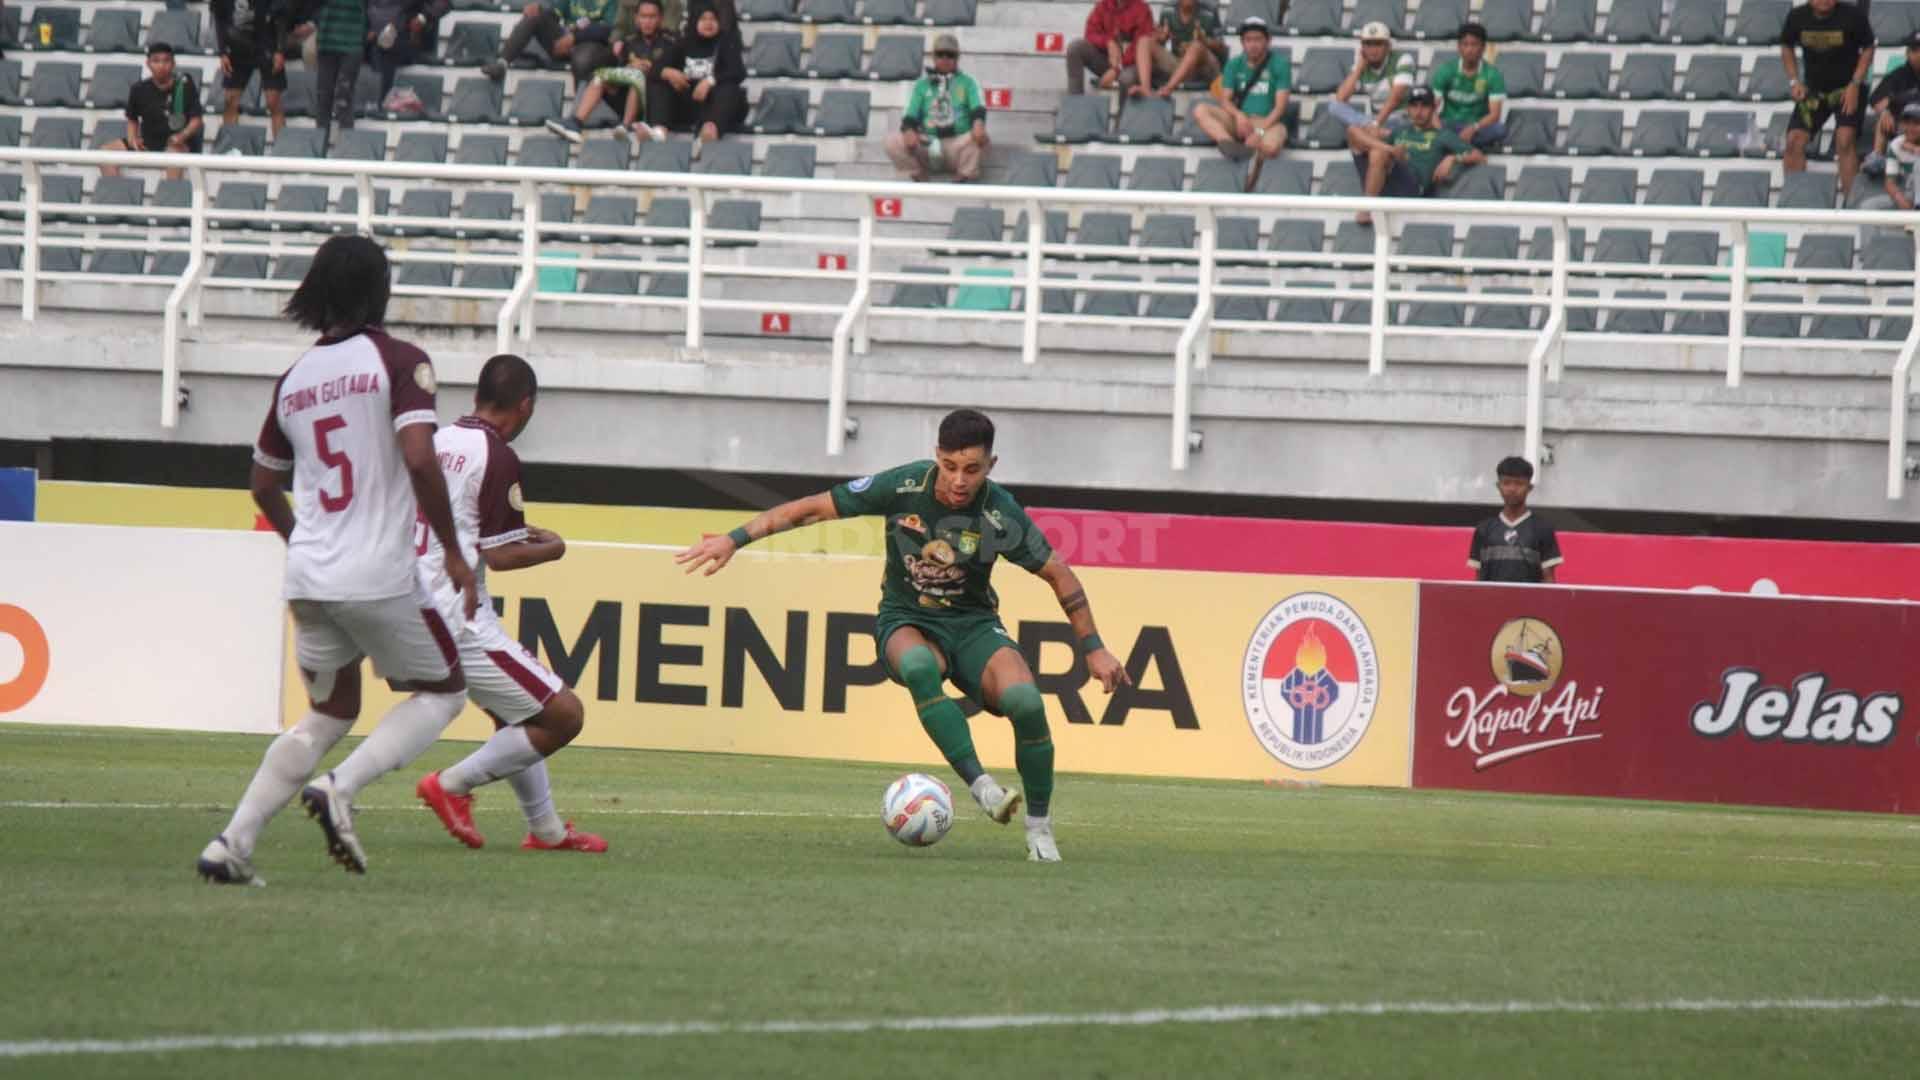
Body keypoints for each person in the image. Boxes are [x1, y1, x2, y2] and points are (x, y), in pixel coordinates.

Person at [675, 409, 1132, 863]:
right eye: (950, 467)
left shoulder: (998, 512)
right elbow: (813, 507)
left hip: (973, 624)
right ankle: (984, 789)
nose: (958, 480)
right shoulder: (903, 486)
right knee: (918, 666)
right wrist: (735, 539)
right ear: (936, 457)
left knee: (1027, 704)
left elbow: (1059, 574)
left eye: (972, 469)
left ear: (991, 466)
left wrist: (1093, 648)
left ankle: (1039, 830)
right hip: (906, 620)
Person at [196, 235, 479, 886]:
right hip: (378, 570)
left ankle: (232, 844)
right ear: (379, 292)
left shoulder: (294, 379)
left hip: (310, 576)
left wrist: (305, 546)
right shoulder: (401, 361)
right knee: (444, 692)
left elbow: (264, 486)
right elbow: (417, 455)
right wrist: (457, 556)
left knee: (328, 712)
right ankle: (341, 788)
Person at [413, 355, 607, 855]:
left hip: (419, 600)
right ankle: (451, 785)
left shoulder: (437, 441)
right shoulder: (495, 455)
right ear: (525, 406)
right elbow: (498, 556)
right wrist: (554, 547)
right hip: (460, 615)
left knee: (517, 714)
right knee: (564, 715)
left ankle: (545, 833)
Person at [1346, 86, 1484, 223]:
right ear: (1408, 108)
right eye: (1414, 106)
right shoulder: (1400, 131)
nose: (1418, 112)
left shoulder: (1442, 135)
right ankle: (1386, 157)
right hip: (1384, 182)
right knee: (1353, 130)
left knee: (1378, 153)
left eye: (1424, 106)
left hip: (1410, 187)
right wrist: (1390, 150)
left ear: (1433, 108)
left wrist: (1452, 158)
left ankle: (1366, 208)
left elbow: (1479, 157)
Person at [1780, 0, 1875, 198]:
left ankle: (1852, 202)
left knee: (1844, 139)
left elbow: (1868, 48)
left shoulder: (1853, 15)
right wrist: (1793, 81)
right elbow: (1786, 46)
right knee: (1793, 141)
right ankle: (1795, 198)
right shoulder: (1797, 16)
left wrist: (1855, 84)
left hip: (1847, 88)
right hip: (1814, 91)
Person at [549, 0, 678, 143]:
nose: (647, 21)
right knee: (601, 77)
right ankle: (576, 124)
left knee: (637, 75)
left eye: (652, 17)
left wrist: (644, 67)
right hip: (629, 101)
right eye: (643, 16)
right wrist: (628, 68)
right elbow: (621, 70)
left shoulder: (671, 41)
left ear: (660, 19)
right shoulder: (629, 41)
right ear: (636, 18)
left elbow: (670, 72)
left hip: (657, 104)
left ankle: (626, 127)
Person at [1191, 17, 1290, 182]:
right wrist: (1238, 115)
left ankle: (1254, 175)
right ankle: (1230, 146)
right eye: (1248, 40)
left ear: (1268, 41)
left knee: (1271, 147)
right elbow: (1225, 100)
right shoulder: (1234, 64)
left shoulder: (1280, 65)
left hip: (1268, 121)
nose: (1253, 44)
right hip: (1239, 121)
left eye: (1258, 39)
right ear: (1242, 42)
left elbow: (1280, 108)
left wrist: (1259, 132)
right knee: (1200, 109)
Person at [883, 34, 988, 183]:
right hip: (927, 143)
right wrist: (908, 131)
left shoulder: (969, 82)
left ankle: (963, 177)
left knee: (980, 138)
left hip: (957, 145)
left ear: (957, 57)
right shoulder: (921, 85)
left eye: (950, 55)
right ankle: (919, 175)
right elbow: (909, 115)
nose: (945, 59)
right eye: (940, 54)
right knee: (892, 141)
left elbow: (978, 108)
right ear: (933, 57)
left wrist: (978, 125)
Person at [99, 43, 203, 180]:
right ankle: (116, 192)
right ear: (148, 64)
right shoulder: (139, 89)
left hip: (178, 142)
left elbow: (196, 120)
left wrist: (182, 136)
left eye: (166, 61)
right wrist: (132, 139)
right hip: (149, 141)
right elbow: (132, 119)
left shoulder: (184, 84)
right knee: (104, 153)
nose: (161, 65)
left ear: (173, 64)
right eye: (156, 61)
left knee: (174, 157)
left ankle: (168, 197)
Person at [657, 3, 746, 158]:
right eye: (703, 19)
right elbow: (655, 68)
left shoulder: (726, 42)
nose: (708, 23)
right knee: (660, 83)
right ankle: (659, 130)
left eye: (713, 19)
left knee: (730, 88)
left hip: (718, 107)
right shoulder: (683, 43)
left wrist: (710, 81)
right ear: (694, 21)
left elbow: (738, 71)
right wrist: (667, 72)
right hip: (691, 104)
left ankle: (709, 133)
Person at [1468, 456, 1563, 584]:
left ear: (1529, 487)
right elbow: (1479, 578)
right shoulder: (1483, 529)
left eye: (1519, 483)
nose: (1512, 489)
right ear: (1498, 486)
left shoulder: (1543, 529)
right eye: (1506, 483)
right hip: (1492, 602)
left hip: (1530, 603)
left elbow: (1548, 578)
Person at [481, 0, 619, 87]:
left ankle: (576, 116)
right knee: (534, 16)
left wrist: (574, 38)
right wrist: (539, 9)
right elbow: (554, 13)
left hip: (591, 48)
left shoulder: (612, 2)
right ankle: (502, 63)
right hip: (564, 44)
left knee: (583, 58)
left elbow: (606, 31)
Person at [211, 0, 294, 138]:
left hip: (268, 44)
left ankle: (281, 151)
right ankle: (229, 148)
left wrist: (280, 50)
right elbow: (220, 18)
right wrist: (222, 52)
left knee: (273, 101)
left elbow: (281, 19)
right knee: (230, 100)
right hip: (237, 45)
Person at [1428, 21, 1506, 150]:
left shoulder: (1492, 74)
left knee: (1499, 130)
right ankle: (1459, 143)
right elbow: (1431, 108)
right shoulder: (1446, 70)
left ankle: (1452, 143)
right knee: (1426, 123)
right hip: (1450, 123)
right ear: (1458, 47)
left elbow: (1494, 115)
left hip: (1477, 126)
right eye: (1465, 44)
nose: (1469, 49)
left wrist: (1473, 128)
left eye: (1474, 44)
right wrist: (1440, 131)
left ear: (1483, 47)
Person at [1124, 0, 1225, 98]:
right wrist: (1162, 38)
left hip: (1204, 67)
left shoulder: (1210, 11)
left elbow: (1221, 47)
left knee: (1196, 46)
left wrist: (1205, 41)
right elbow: (1161, 40)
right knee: (1144, 41)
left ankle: (1168, 88)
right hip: (1179, 64)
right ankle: (1145, 88)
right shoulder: (1167, 10)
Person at [1326, 20, 1414, 132]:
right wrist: (1359, 69)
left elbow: (1396, 98)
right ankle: (1372, 132)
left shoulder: (1403, 59)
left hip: (1401, 119)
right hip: (1374, 120)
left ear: (1388, 46)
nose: (1373, 49)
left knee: (1355, 134)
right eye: (1368, 44)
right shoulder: (1362, 65)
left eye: (1378, 43)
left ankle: (1371, 133)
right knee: (1334, 106)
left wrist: (1376, 124)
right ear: (1362, 47)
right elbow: (1341, 98)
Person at [305, 0, 368, 155]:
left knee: (344, 98)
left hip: (352, 41)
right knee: (323, 98)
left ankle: (348, 154)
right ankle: (318, 154)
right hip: (326, 41)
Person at [1066, 0, 1154, 95]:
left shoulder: (1142, 9)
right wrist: (1108, 42)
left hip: (1132, 65)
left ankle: (1124, 109)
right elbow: (1090, 34)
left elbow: (1141, 49)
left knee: (1125, 79)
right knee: (1075, 48)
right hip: (1108, 62)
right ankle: (1075, 101)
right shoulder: (1103, 5)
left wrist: (1117, 69)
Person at [367, 0, 450, 97]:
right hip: (371, 35)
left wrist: (422, 18)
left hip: (404, 36)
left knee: (384, 45)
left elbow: (442, 3)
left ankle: (381, 103)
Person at [1866, 32, 1920, 168]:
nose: (1919, 55)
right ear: (1908, 53)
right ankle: (1877, 158)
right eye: (1915, 50)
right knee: (1885, 117)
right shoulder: (1899, 74)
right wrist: (1886, 112)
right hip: (1906, 128)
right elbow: (1875, 99)